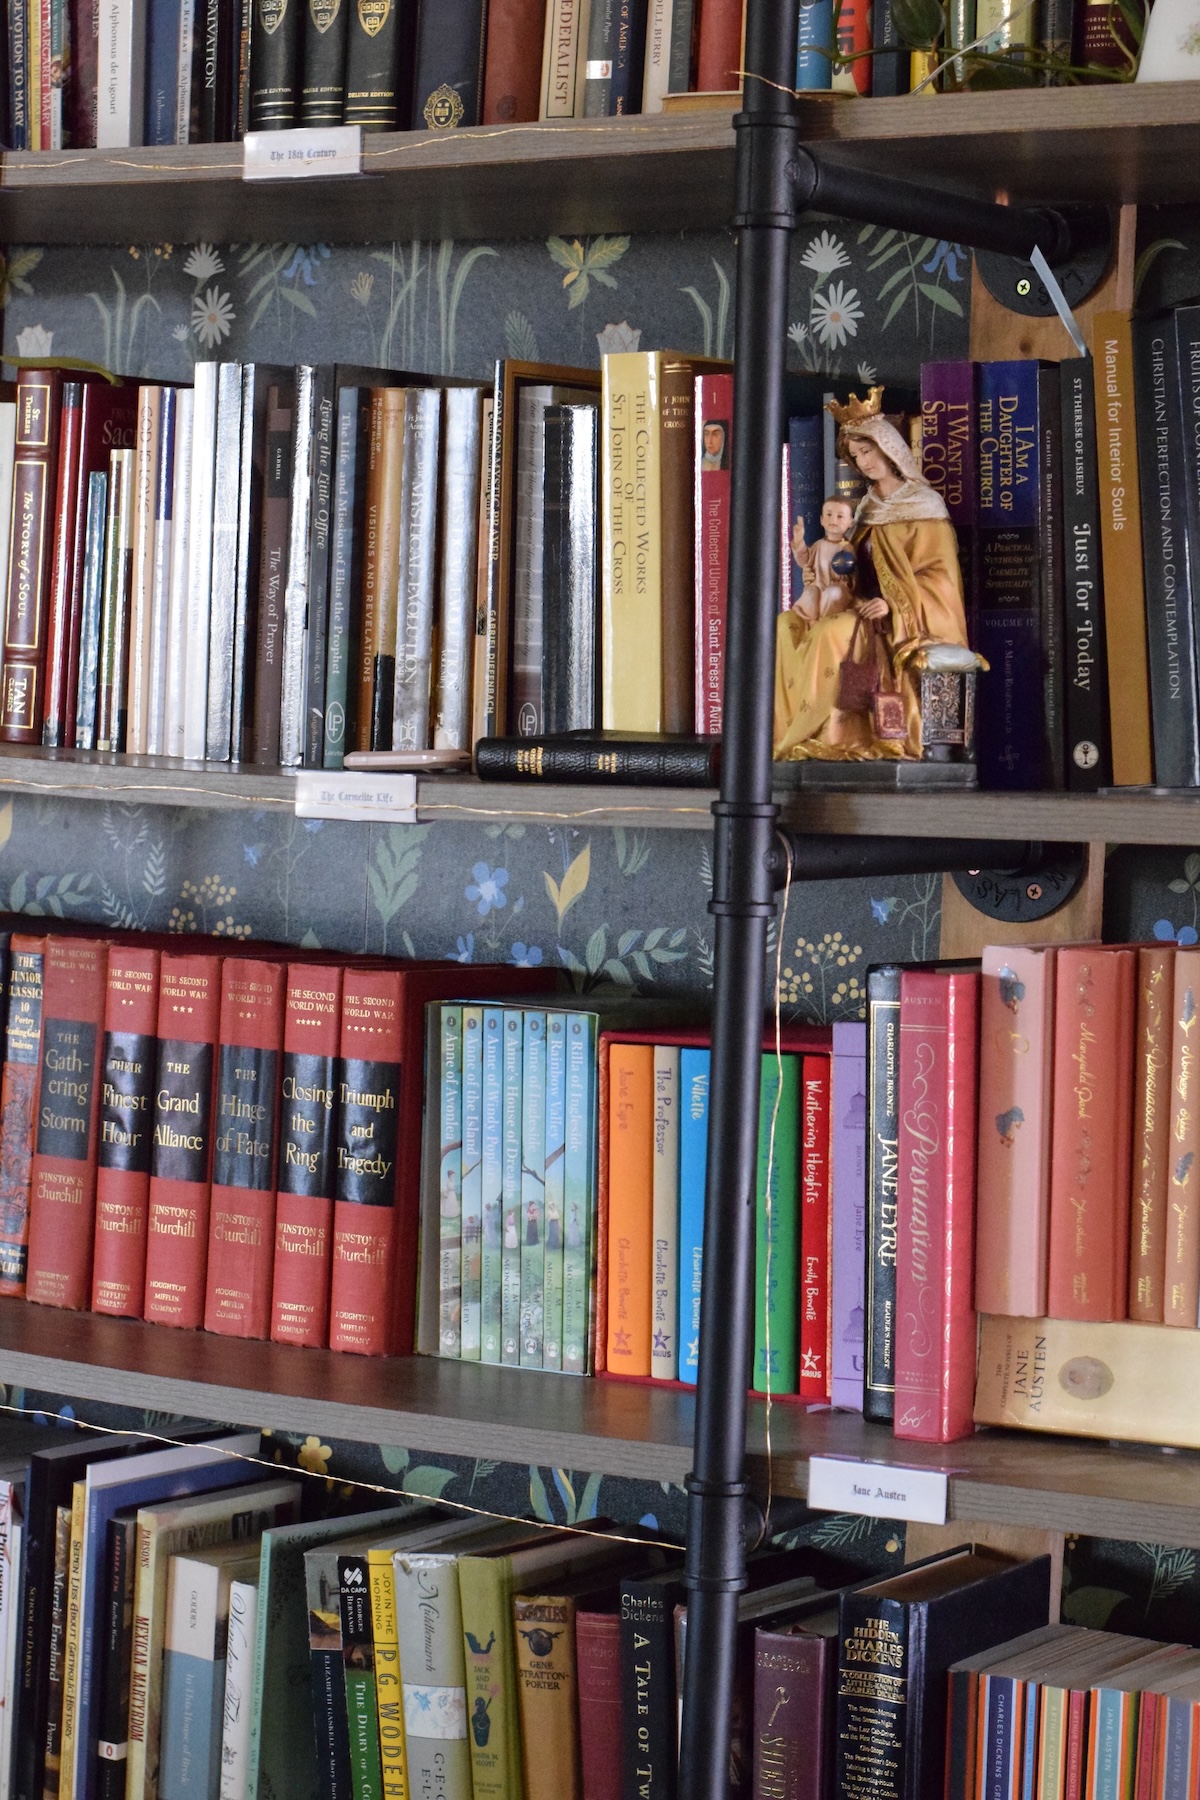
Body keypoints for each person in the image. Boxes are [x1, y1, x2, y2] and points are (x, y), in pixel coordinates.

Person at [773, 388, 970, 762]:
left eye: (868, 451)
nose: (863, 462)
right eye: (856, 455)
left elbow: (942, 581)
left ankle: (831, 736)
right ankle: (790, 734)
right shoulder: (866, 508)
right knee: (786, 625)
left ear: (890, 449)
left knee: (830, 632)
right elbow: (851, 566)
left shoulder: (925, 506)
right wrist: (821, 573)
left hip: (896, 622)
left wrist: (892, 604)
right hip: (858, 605)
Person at [791, 495, 857, 621]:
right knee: (810, 593)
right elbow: (805, 561)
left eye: (840, 516)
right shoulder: (819, 545)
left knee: (833, 593)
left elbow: (853, 570)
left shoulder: (847, 547)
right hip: (818, 585)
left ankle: (824, 623)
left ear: (851, 522)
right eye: (829, 514)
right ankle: (809, 621)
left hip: (838, 589)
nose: (833, 520)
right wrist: (799, 542)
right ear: (821, 520)